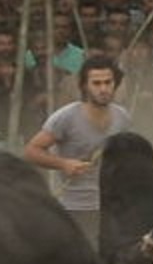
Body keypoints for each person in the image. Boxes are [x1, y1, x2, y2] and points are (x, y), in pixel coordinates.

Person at [24, 55, 130, 243]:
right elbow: (32, 151)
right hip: (72, 205)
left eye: (108, 82)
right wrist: (63, 163)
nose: (103, 89)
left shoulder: (122, 117)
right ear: (84, 86)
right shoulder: (66, 117)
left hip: (109, 204)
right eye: (96, 83)